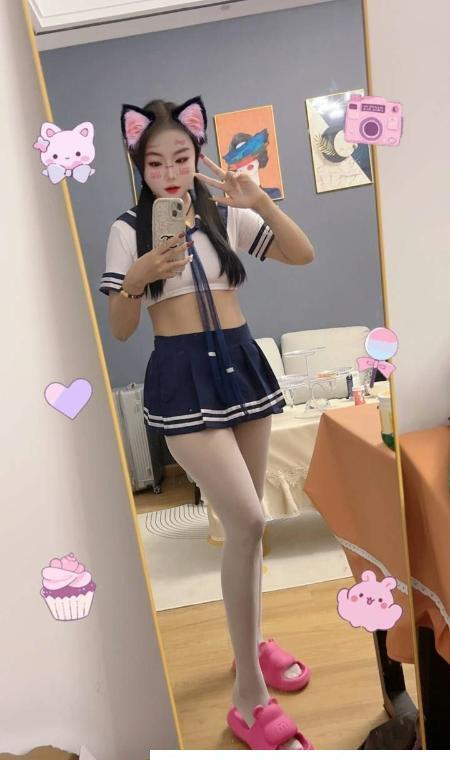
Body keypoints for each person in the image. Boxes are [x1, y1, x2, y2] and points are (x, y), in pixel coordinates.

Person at [100, 95, 315, 750]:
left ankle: (250, 643)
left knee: (249, 529)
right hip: (182, 377)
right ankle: (248, 696)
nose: (170, 172)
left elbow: (302, 254)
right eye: (155, 161)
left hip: (242, 366)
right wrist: (137, 277)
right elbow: (120, 327)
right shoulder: (127, 229)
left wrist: (261, 201)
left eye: (181, 157)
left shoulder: (224, 213)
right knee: (247, 521)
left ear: (198, 156)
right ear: (138, 165)